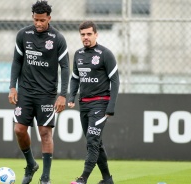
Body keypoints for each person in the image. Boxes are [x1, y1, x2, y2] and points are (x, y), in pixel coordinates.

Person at [8, 1, 69, 184]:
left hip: (47, 93)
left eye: (42, 20)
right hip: (25, 91)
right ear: (32, 17)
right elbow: (17, 62)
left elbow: (65, 67)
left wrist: (63, 94)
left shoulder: (57, 38)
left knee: (44, 132)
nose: (39, 23)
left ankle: (45, 177)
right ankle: (31, 164)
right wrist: (12, 87)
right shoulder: (23, 35)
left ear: (49, 18)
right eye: (36, 19)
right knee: (19, 129)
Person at [68, 21, 120, 184]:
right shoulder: (78, 54)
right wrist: (71, 97)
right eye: (83, 34)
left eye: (89, 34)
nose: (86, 37)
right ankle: (107, 179)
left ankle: (83, 179)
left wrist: (111, 106)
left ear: (96, 34)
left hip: (100, 104)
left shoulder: (105, 54)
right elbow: (75, 78)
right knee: (96, 143)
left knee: (92, 141)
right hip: (84, 105)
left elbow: (115, 81)